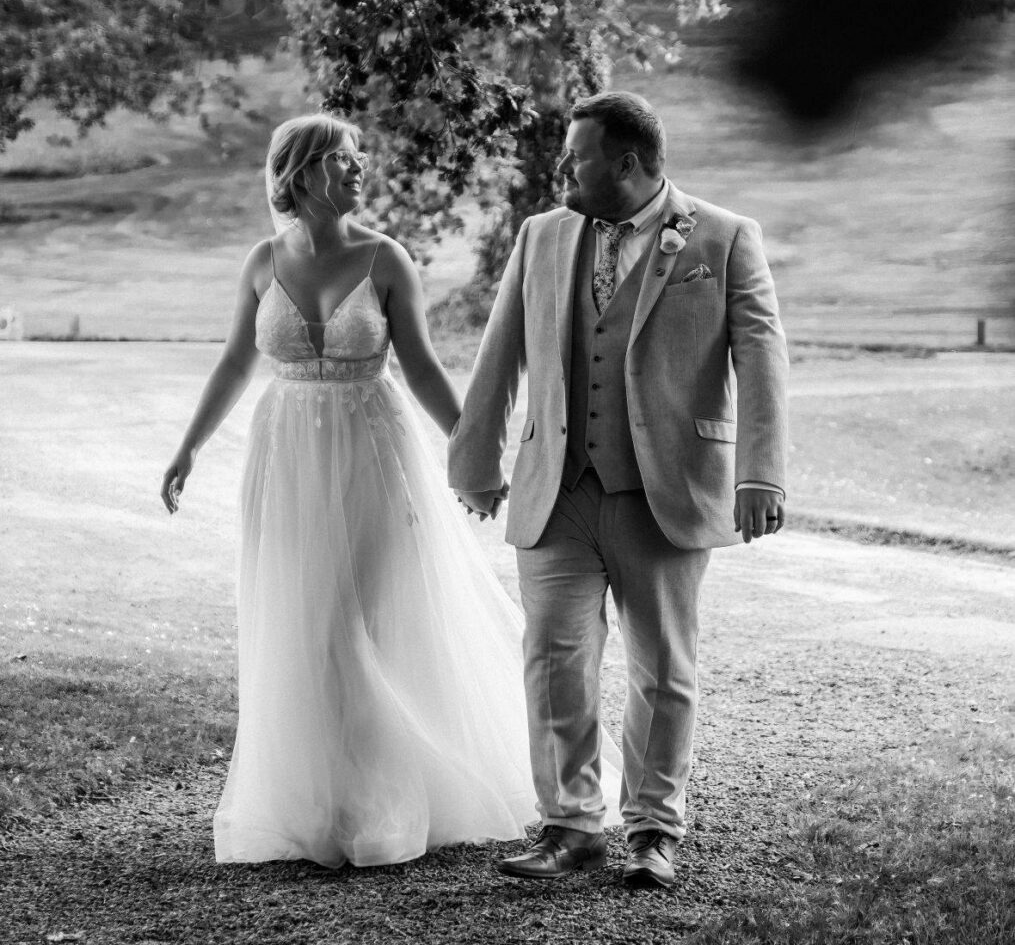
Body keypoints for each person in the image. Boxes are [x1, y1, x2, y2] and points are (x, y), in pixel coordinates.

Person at [159, 113, 552, 868]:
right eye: (343, 158)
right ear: (302, 172)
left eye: (358, 157)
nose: (359, 168)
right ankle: (317, 797)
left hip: (374, 449)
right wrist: (189, 447)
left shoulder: (385, 259)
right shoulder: (261, 262)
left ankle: (385, 797)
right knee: (304, 622)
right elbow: (237, 360)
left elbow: (424, 367)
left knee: (364, 617)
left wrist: (473, 455)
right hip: (286, 458)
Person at [448, 91, 789, 889]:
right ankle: (569, 825)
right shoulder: (540, 236)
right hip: (557, 487)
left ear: (626, 163)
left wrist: (759, 473)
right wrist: (474, 462)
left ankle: (652, 830)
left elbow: (761, 360)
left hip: (666, 489)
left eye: (577, 157)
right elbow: (499, 353)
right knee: (552, 658)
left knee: (662, 669)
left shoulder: (723, 238)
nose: (561, 168)